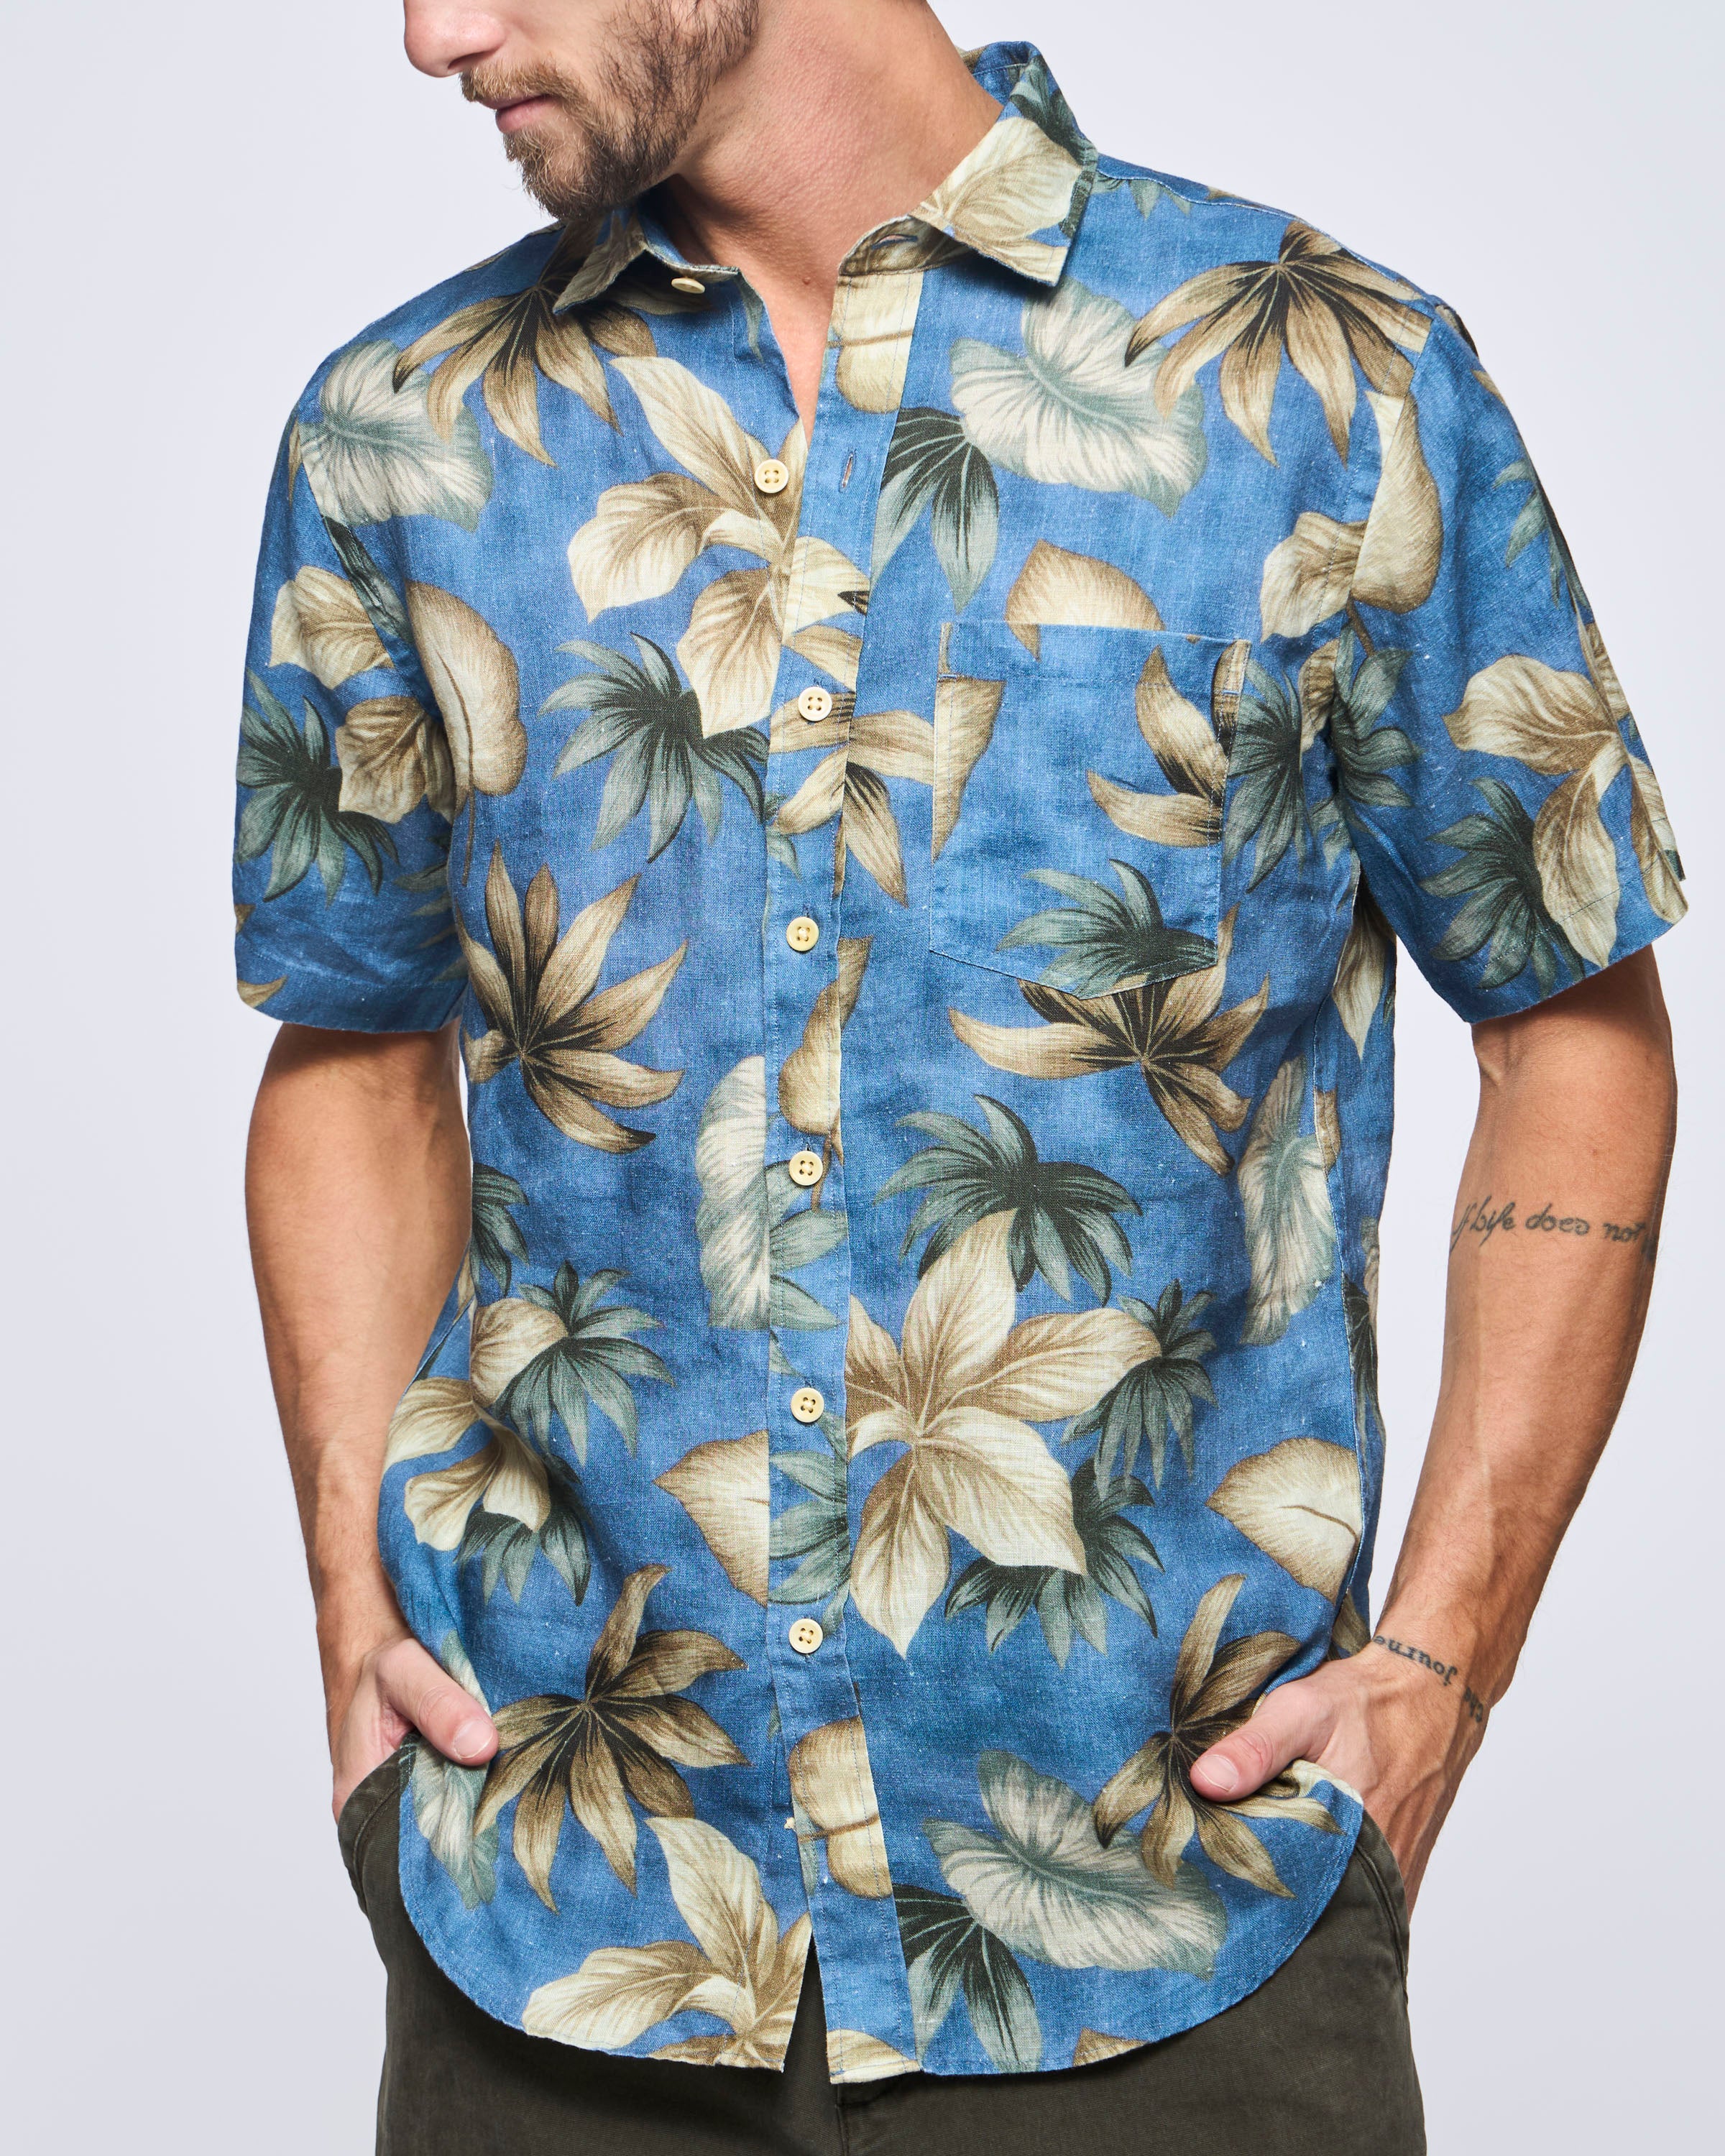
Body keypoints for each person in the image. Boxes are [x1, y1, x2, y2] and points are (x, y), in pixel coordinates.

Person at [236, 4, 1683, 2149]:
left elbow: (1572, 1022)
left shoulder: (1327, 382)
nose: (436, 32)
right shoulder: (400, 438)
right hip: (561, 1927)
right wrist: (357, 1624)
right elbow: (352, 1054)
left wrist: (1443, 1668)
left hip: (1175, 1927)